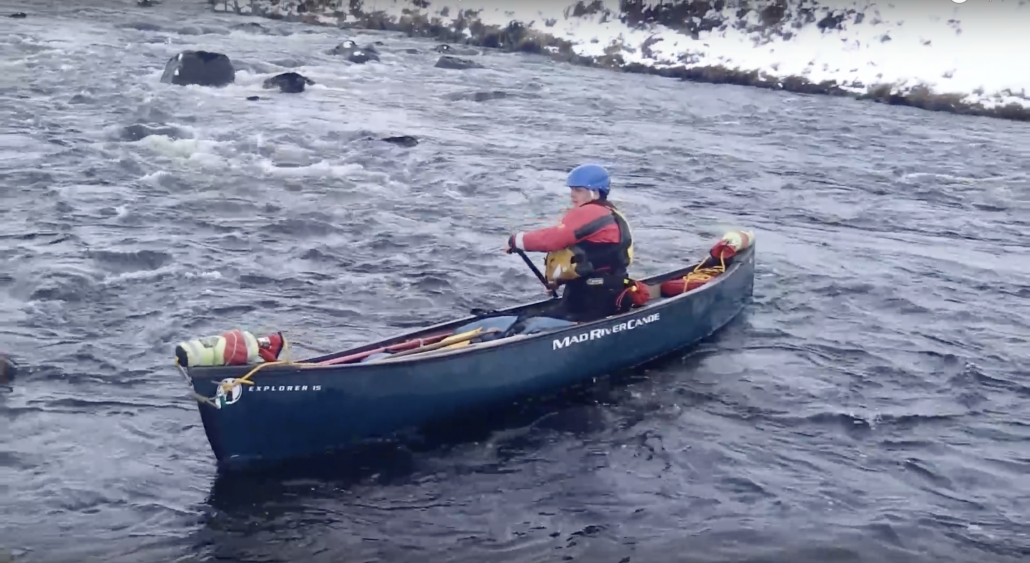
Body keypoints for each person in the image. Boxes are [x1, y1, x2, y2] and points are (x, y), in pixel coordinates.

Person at [504, 163, 645, 323]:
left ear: (596, 192)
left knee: (529, 322)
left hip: (590, 300)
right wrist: (558, 280)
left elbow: (554, 239)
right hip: (608, 292)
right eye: (571, 189)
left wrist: (516, 241)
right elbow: (592, 259)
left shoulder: (589, 212)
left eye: (578, 190)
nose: (572, 194)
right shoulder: (608, 212)